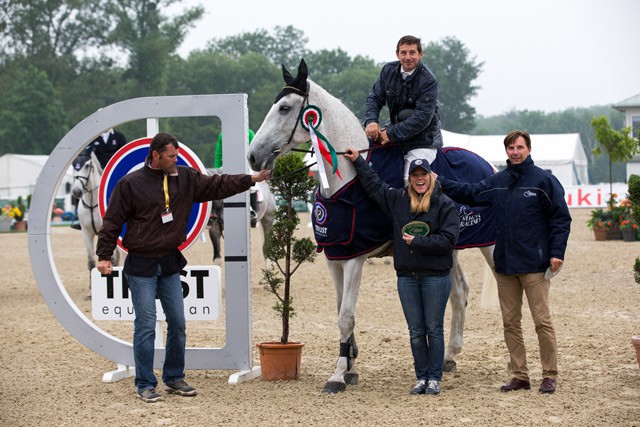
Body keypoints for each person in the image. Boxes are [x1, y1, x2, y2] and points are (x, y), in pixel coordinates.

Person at [96, 132, 270, 403]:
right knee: (146, 326)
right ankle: (144, 383)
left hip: (169, 262)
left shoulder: (186, 177)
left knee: (178, 323)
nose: (176, 160)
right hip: (140, 265)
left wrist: (251, 180)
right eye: (171, 156)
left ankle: (174, 377)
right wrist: (104, 255)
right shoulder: (129, 184)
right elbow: (112, 222)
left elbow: (218, 184)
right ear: (155, 155)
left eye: (177, 155)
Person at [436, 130, 571, 394]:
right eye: (510, 148)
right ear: (506, 151)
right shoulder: (497, 181)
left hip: (534, 265)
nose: (515, 152)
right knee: (510, 323)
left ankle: (549, 374)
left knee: (542, 321)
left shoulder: (544, 181)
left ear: (528, 149)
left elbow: (560, 219)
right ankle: (520, 375)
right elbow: (470, 193)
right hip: (506, 266)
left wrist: (557, 253)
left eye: (519, 147)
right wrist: (438, 180)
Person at [344, 148, 459, 395]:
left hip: (436, 277)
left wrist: (417, 243)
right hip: (406, 277)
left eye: (423, 174)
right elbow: (374, 185)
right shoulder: (398, 199)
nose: (419, 178)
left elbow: (448, 240)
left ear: (431, 177)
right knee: (416, 331)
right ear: (409, 178)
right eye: (415, 174)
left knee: (434, 329)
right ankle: (421, 377)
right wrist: (358, 160)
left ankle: (434, 378)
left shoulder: (445, 204)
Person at [364, 35, 442, 181]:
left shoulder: (429, 81)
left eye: (412, 52)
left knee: (409, 179)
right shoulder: (388, 70)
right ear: (397, 54)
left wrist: (391, 134)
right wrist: (371, 121)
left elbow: (422, 118)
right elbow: (374, 98)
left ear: (420, 54)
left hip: (423, 140)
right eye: (403, 52)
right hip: (394, 129)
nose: (408, 57)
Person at [70, 128, 127, 229]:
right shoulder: (92, 138)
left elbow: (124, 155)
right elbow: (85, 154)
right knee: (80, 183)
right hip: (97, 172)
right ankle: (78, 216)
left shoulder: (119, 137)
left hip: (113, 173)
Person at [214, 129, 259, 226]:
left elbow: (253, 151)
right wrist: (217, 168)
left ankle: (253, 212)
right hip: (226, 165)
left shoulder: (249, 133)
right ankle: (214, 213)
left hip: (244, 165)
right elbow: (218, 153)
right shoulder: (222, 135)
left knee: (253, 186)